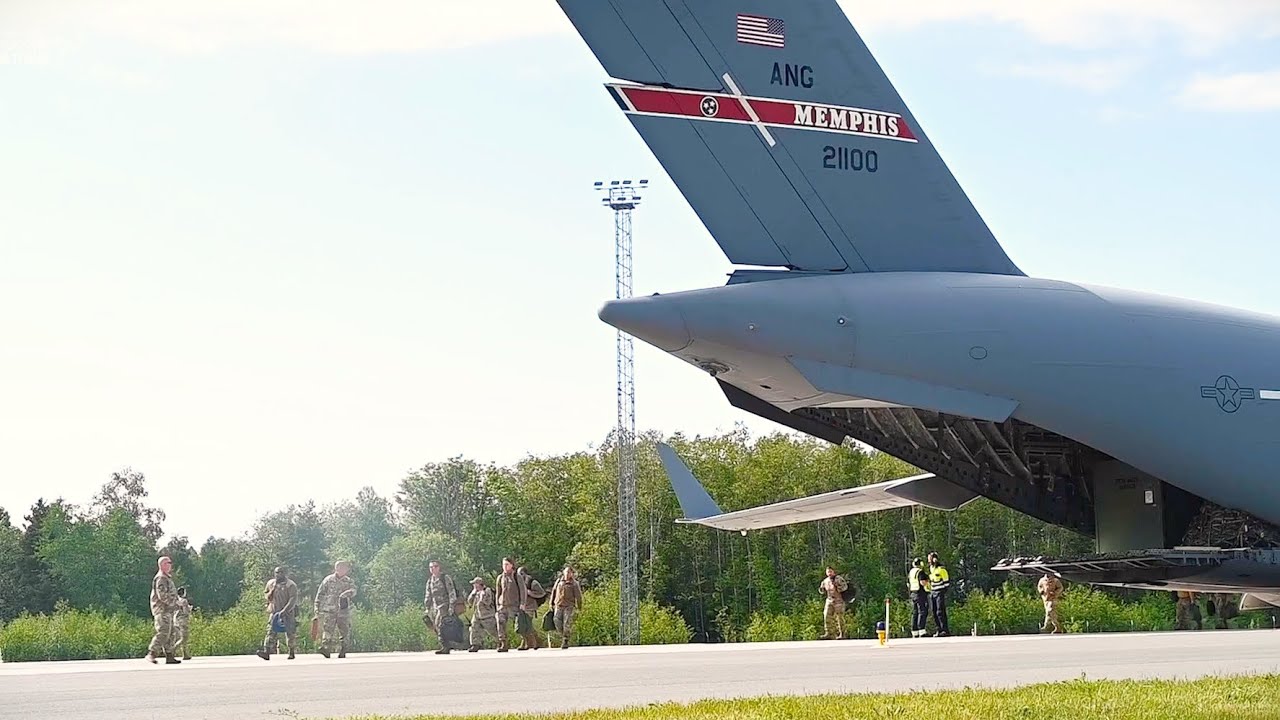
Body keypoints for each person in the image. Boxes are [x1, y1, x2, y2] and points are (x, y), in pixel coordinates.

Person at [315, 560, 357, 658]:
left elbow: (354, 591)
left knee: (344, 631)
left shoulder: (348, 581)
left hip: (343, 610)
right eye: (342, 568)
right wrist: (317, 607)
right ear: (337, 568)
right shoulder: (328, 580)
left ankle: (343, 649)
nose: (345, 570)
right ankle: (326, 649)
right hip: (330, 609)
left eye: (346, 568)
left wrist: (348, 593)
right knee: (328, 630)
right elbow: (320, 593)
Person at [257, 566, 299, 661]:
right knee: (270, 631)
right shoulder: (271, 583)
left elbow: (293, 599)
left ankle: (291, 651)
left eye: (280, 572)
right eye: (276, 573)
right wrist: (270, 592)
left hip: (287, 612)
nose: (278, 575)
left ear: (284, 573)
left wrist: (285, 610)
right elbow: (266, 595)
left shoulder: (290, 585)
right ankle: (266, 651)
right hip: (274, 612)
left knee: (290, 633)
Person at [145, 556, 181, 664]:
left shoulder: (167, 578)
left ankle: (169, 656)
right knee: (163, 631)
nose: (170, 565)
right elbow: (162, 596)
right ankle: (152, 653)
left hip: (168, 610)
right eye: (168, 563)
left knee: (171, 632)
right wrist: (175, 603)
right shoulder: (161, 578)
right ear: (162, 565)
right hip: (162, 609)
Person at [425, 560, 460, 655]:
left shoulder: (445, 578)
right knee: (436, 626)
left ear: (439, 567)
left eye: (435, 566)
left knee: (440, 625)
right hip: (435, 607)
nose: (433, 569)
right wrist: (427, 608)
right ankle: (446, 644)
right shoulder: (430, 581)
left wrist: (451, 607)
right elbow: (428, 595)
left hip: (444, 606)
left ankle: (445, 646)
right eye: (431, 567)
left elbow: (451, 592)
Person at [494, 557, 526, 653]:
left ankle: (524, 640)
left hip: (514, 605)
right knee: (500, 622)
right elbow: (498, 592)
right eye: (503, 564)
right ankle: (503, 642)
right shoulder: (500, 577)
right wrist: (497, 605)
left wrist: (522, 603)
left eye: (507, 564)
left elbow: (523, 590)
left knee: (517, 624)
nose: (505, 566)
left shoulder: (516, 576)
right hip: (502, 605)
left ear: (512, 565)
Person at [551, 565, 584, 649]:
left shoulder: (574, 584)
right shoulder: (559, 581)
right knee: (557, 621)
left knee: (566, 623)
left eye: (569, 572)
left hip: (569, 606)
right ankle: (563, 635)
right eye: (566, 572)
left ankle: (565, 640)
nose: (567, 574)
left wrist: (579, 607)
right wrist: (551, 603)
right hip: (558, 605)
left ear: (572, 574)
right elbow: (554, 591)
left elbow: (578, 596)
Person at [517, 566, 547, 650]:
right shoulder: (518, 582)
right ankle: (532, 642)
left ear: (525, 573)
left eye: (521, 574)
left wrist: (530, 593)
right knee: (521, 625)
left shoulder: (533, 583)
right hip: (521, 606)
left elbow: (542, 593)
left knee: (528, 624)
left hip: (530, 606)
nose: (519, 575)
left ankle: (530, 643)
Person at [467, 576, 499, 652]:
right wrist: (473, 594)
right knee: (474, 629)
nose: (474, 586)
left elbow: (488, 602)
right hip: (477, 615)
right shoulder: (475, 592)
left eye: (475, 584)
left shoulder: (487, 590)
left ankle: (501, 641)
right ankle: (475, 644)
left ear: (479, 584)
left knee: (492, 630)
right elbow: (469, 602)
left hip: (487, 615)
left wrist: (482, 596)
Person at [818, 566, 849, 640]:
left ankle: (842, 634)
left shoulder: (838, 579)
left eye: (830, 571)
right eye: (828, 572)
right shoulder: (825, 581)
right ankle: (828, 633)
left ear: (833, 572)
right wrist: (822, 590)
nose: (829, 573)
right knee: (826, 616)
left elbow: (845, 587)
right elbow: (821, 590)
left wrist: (838, 587)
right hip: (829, 600)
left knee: (839, 617)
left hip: (839, 600)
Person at [927, 552, 951, 637]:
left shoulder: (941, 569)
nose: (929, 561)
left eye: (930, 559)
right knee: (934, 611)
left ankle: (944, 630)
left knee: (940, 611)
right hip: (933, 592)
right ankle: (939, 629)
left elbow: (946, 583)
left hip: (940, 592)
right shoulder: (931, 568)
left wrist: (942, 592)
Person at [907, 558, 930, 638]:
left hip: (913, 593)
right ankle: (922, 630)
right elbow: (922, 582)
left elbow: (908, 583)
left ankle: (914, 631)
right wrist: (928, 581)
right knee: (922, 611)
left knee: (915, 612)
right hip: (920, 593)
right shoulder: (920, 572)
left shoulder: (911, 572)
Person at [173, 587, 193, 660]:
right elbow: (185, 612)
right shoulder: (184, 601)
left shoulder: (175, 601)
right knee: (184, 638)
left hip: (175, 621)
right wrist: (189, 609)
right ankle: (173, 650)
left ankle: (185, 654)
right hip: (183, 621)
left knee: (180, 637)